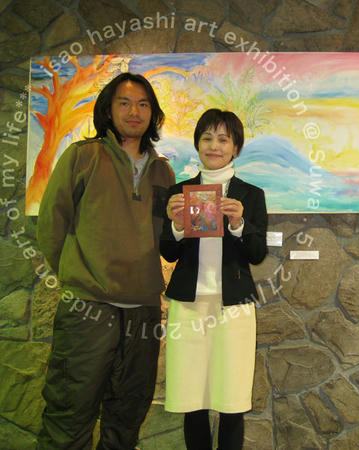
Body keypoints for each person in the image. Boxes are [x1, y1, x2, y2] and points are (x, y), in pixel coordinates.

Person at [37, 72, 174, 449]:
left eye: (143, 104)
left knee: (127, 418)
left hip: (143, 312)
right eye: (124, 103)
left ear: (153, 114)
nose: (134, 111)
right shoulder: (82, 157)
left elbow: (165, 239)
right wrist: (79, 275)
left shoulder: (163, 171)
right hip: (88, 309)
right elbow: (51, 227)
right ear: (108, 110)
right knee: (69, 413)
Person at [160, 109, 267, 449]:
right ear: (197, 144)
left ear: (236, 147)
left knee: (232, 399)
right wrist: (177, 225)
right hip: (188, 307)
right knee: (192, 398)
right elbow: (168, 252)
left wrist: (239, 224)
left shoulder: (251, 195)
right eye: (207, 138)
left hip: (233, 307)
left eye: (223, 139)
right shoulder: (179, 192)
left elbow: (257, 254)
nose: (214, 146)